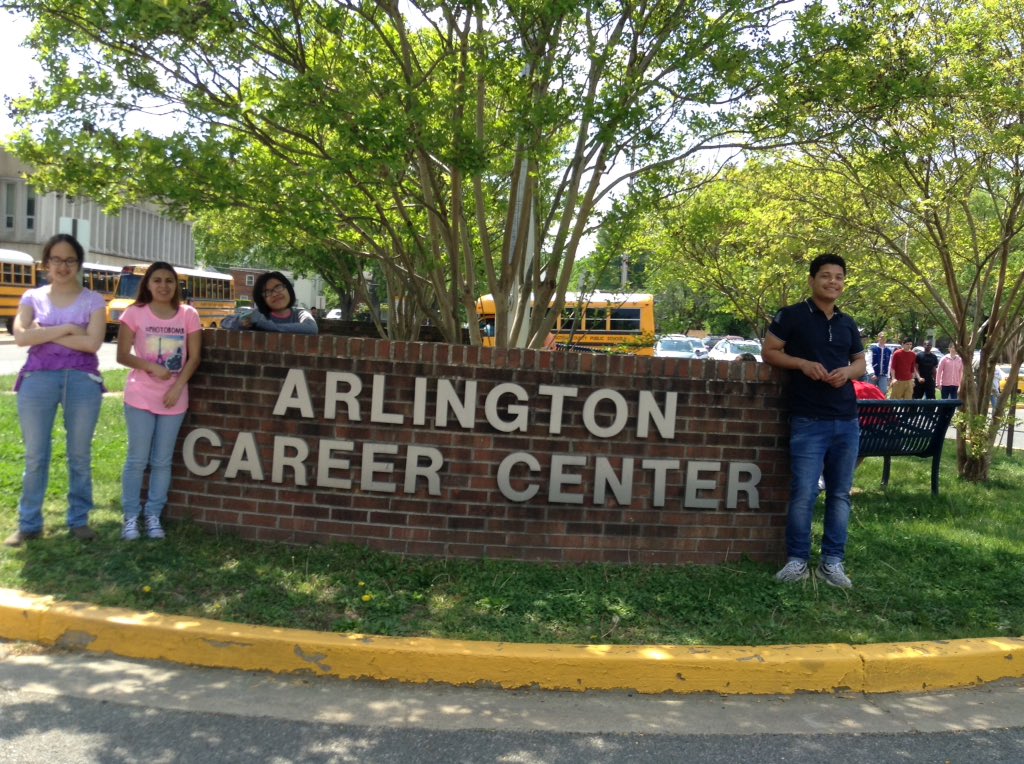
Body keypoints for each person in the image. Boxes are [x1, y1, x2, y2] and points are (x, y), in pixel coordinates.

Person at [763, 253, 866, 589]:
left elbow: (861, 364)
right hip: (808, 419)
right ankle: (797, 561)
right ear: (811, 280)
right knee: (804, 492)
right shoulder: (791, 315)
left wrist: (848, 372)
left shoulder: (848, 323)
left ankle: (832, 563)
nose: (832, 282)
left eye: (838, 277)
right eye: (825, 276)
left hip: (846, 420)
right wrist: (802, 364)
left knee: (840, 495)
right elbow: (770, 351)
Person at [4, 234, 106, 547]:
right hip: (38, 380)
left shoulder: (94, 300)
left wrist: (43, 334)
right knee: (36, 455)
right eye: (56, 259)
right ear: (46, 262)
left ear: (78, 264)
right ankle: (28, 524)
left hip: (82, 381)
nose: (63, 266)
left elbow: (92, 343)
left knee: (79, 454)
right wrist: (67, 329)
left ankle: (79, 521)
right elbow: (21, 338)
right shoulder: (32, 298)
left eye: (69, 260)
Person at [116, 262, 202, 540]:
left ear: (176, 285)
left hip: (173, 399)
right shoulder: (134, 313)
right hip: (140, 395)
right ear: (148, 285)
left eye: (169, 280)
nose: (163, 286)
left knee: (162, 461)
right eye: (157, 280)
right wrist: (151, 367)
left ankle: (153, 516)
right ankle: (131, 517)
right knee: (137, 460)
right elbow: (122, 355)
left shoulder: (189, 314)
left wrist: (178, 386)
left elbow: (194, 357)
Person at [222, 272, 318, 334]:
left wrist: (267, 326)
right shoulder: (259, 315)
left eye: (278, 287)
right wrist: (241, 322)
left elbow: (311, 328)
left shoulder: (300, 314)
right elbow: (225, 322)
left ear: (288, 288)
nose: (275, 294)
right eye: (267, 292)